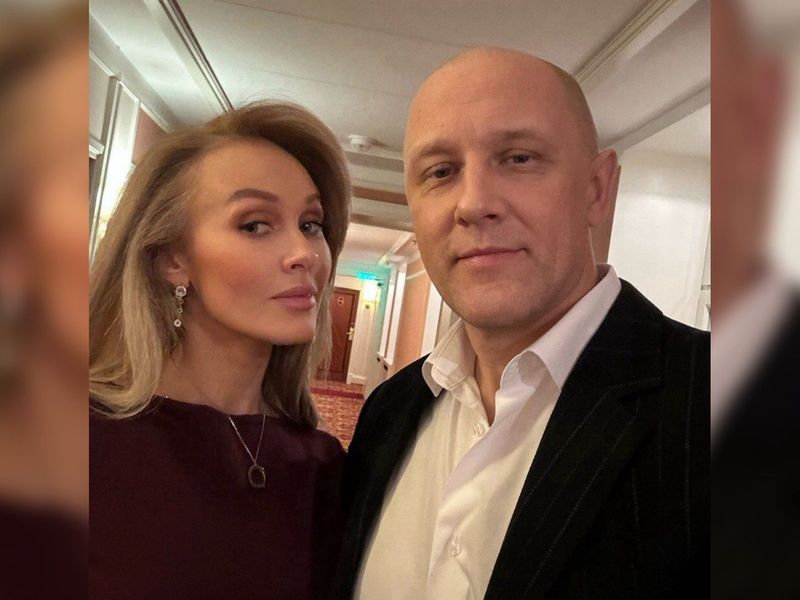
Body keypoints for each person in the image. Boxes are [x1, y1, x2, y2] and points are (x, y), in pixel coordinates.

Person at [334, 47, 708, 599]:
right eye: (441, 171)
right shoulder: (387, 412)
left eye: (518, 158)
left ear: (597, 189)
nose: (473, 203)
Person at [89, 102, 350, 599]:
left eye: (311, 224)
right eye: (255, 225)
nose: (304, 253)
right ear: (172, 260)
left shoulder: (322, 467)